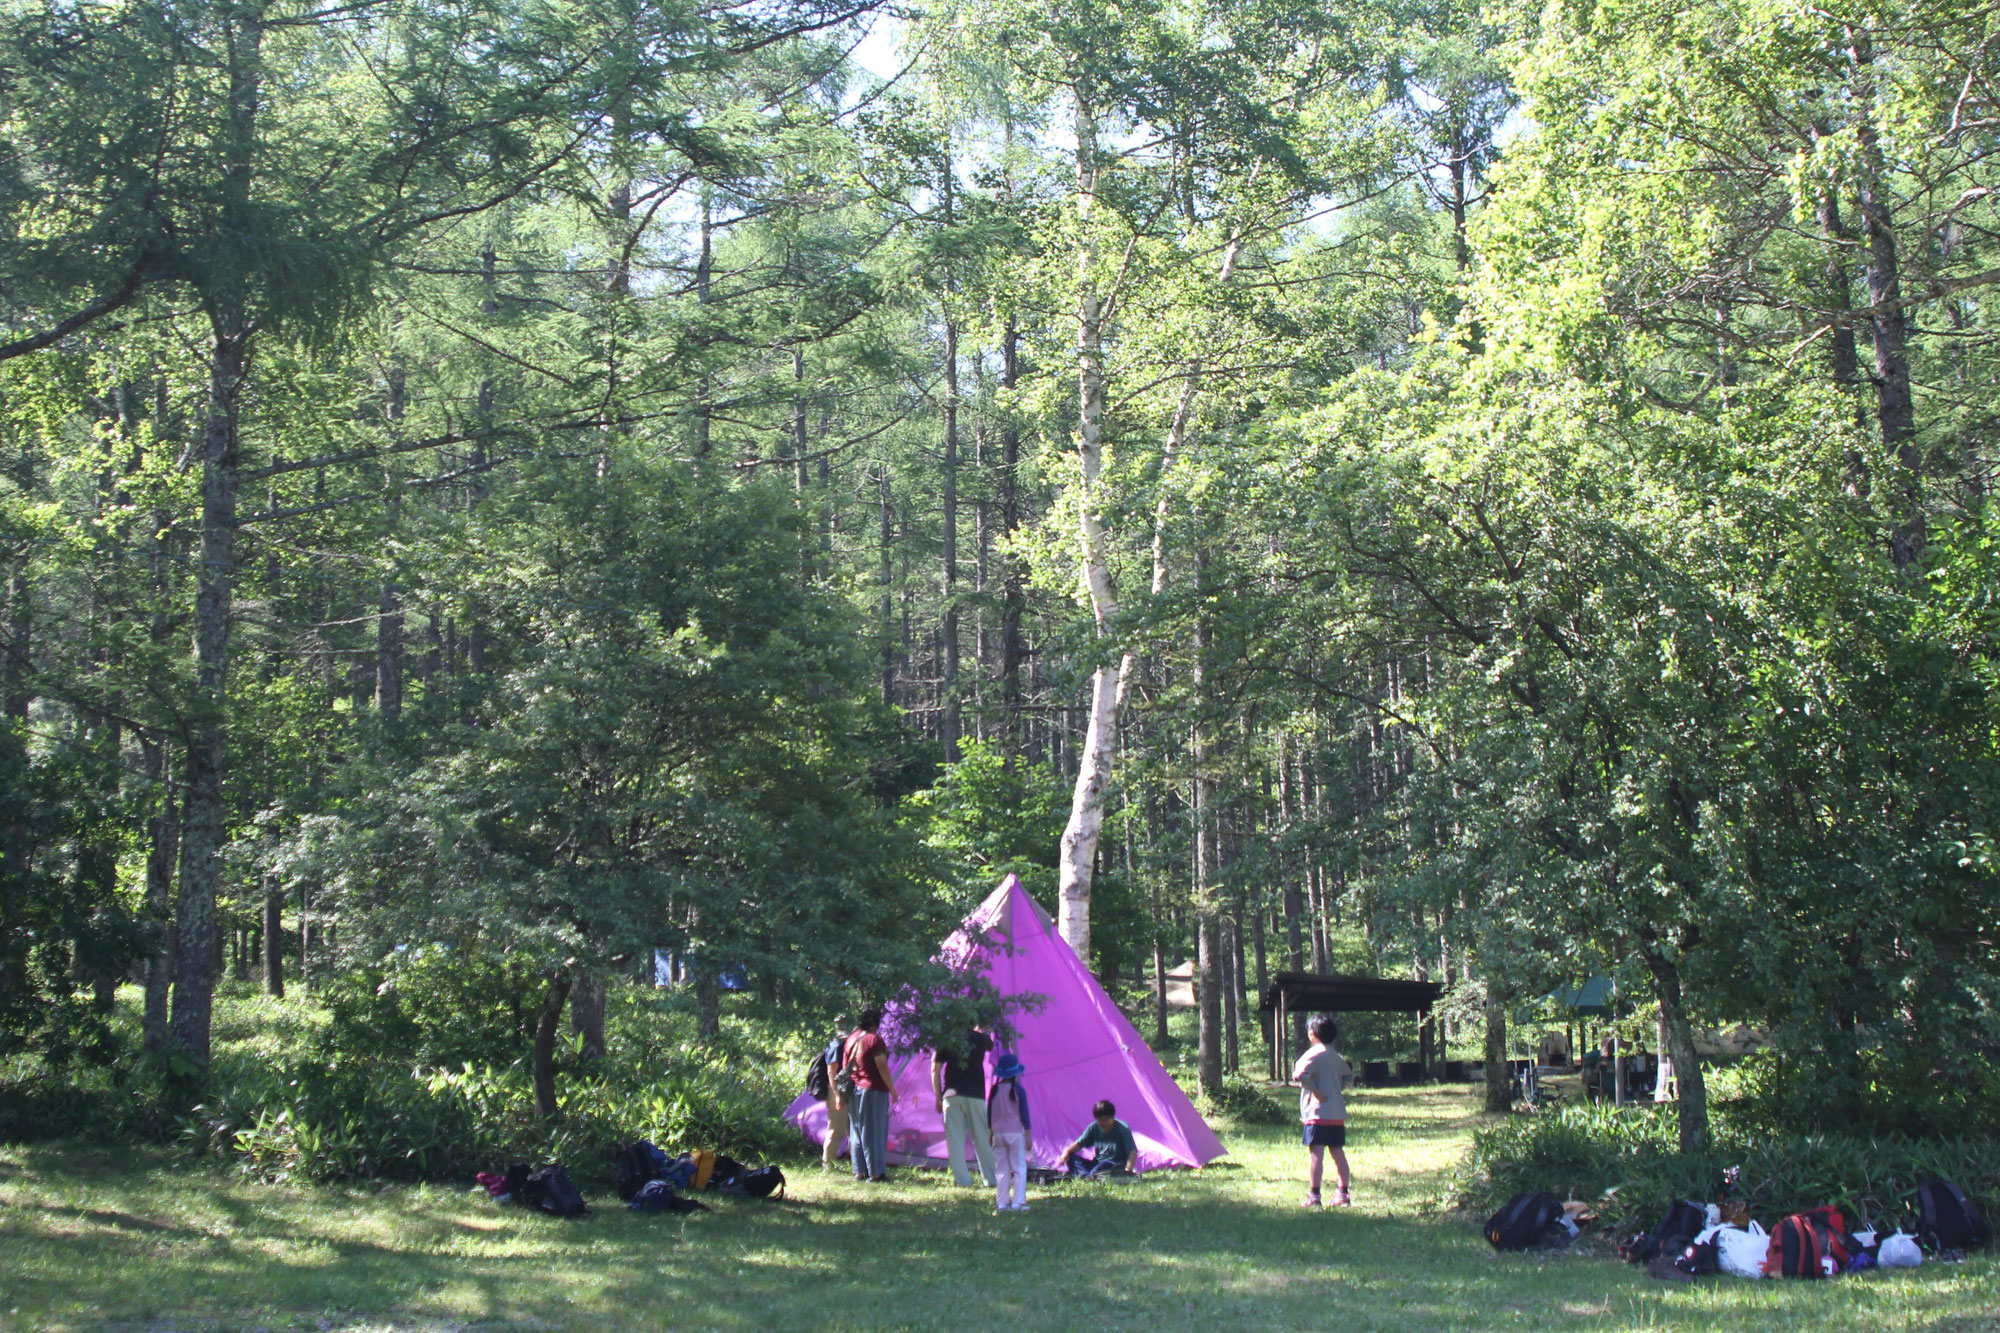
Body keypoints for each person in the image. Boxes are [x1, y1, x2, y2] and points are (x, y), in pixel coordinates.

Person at [1293, 1013, 1354, 1208]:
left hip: (1316, 1114)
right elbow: (1349, 1077)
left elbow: (1299, 1074)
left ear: (1312, 1033)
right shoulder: (1335, 1056)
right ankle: (1343, 1194)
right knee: (1338, 1152)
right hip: (1336, 1114)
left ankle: (1314, 1195)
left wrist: (1316, 1092)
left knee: (1316, 1154)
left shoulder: (1313, 1053)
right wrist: (1336, 1090)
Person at [932, 1027, 996, 1188]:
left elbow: (935, 1068)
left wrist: (938, 1096)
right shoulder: (981, 1039)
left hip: (952, 1094)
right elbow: (993, 1046)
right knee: (982, 1138)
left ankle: (962, 1180)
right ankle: (991, 1179)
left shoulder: (946, 1038)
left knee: (955, 1139)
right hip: (976, 1094)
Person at [843, 1008, 897, 1183]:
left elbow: (846, 1066)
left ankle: (859, 1171)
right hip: (873, 1089)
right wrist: (892, 1089)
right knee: (873, 1131)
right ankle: (876, 1173)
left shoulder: (852, 1039)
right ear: (876, 1023)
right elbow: (881, 1065)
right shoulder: (874, 1040)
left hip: (854, 1089)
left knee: (857, 1130)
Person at [987, 1051, 1031, 1212]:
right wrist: (1027, 1135)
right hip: (1014, 1133)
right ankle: (1018, 1202)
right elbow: (1024, 1115)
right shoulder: (1019, 1091)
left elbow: (990, 1113)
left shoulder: (994, 1090)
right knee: (1019, 1168)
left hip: (997, 1133)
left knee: (1001, 1169)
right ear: (1015, 1073)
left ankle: (1002, 1202)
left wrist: (991, 1133)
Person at [1061, 1100, 1139, 1179]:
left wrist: (1127, 1171)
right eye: (1099, 1120)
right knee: (1072, 1158)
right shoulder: (1094, 1128)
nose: (1102, 1123)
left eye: (1105, 1120)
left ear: (1112, 1117)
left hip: (1114, 1165)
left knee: (1105, 1163)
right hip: (1097, 1164)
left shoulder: (1122, 1129)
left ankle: (1085, 1176)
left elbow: (1132, 1152)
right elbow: (1079, 1144)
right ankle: (1087, 1176)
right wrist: (1066, 1152)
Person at [819, 1014, 851, 1171]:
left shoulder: (847, 1043)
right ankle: (828, 1165)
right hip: (836, 1091)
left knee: (852, 1129)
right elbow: (831, 1072)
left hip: (848, 1090)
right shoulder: (836, 1045)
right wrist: (837, 1095)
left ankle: (857, 1165)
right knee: (836, 1128)